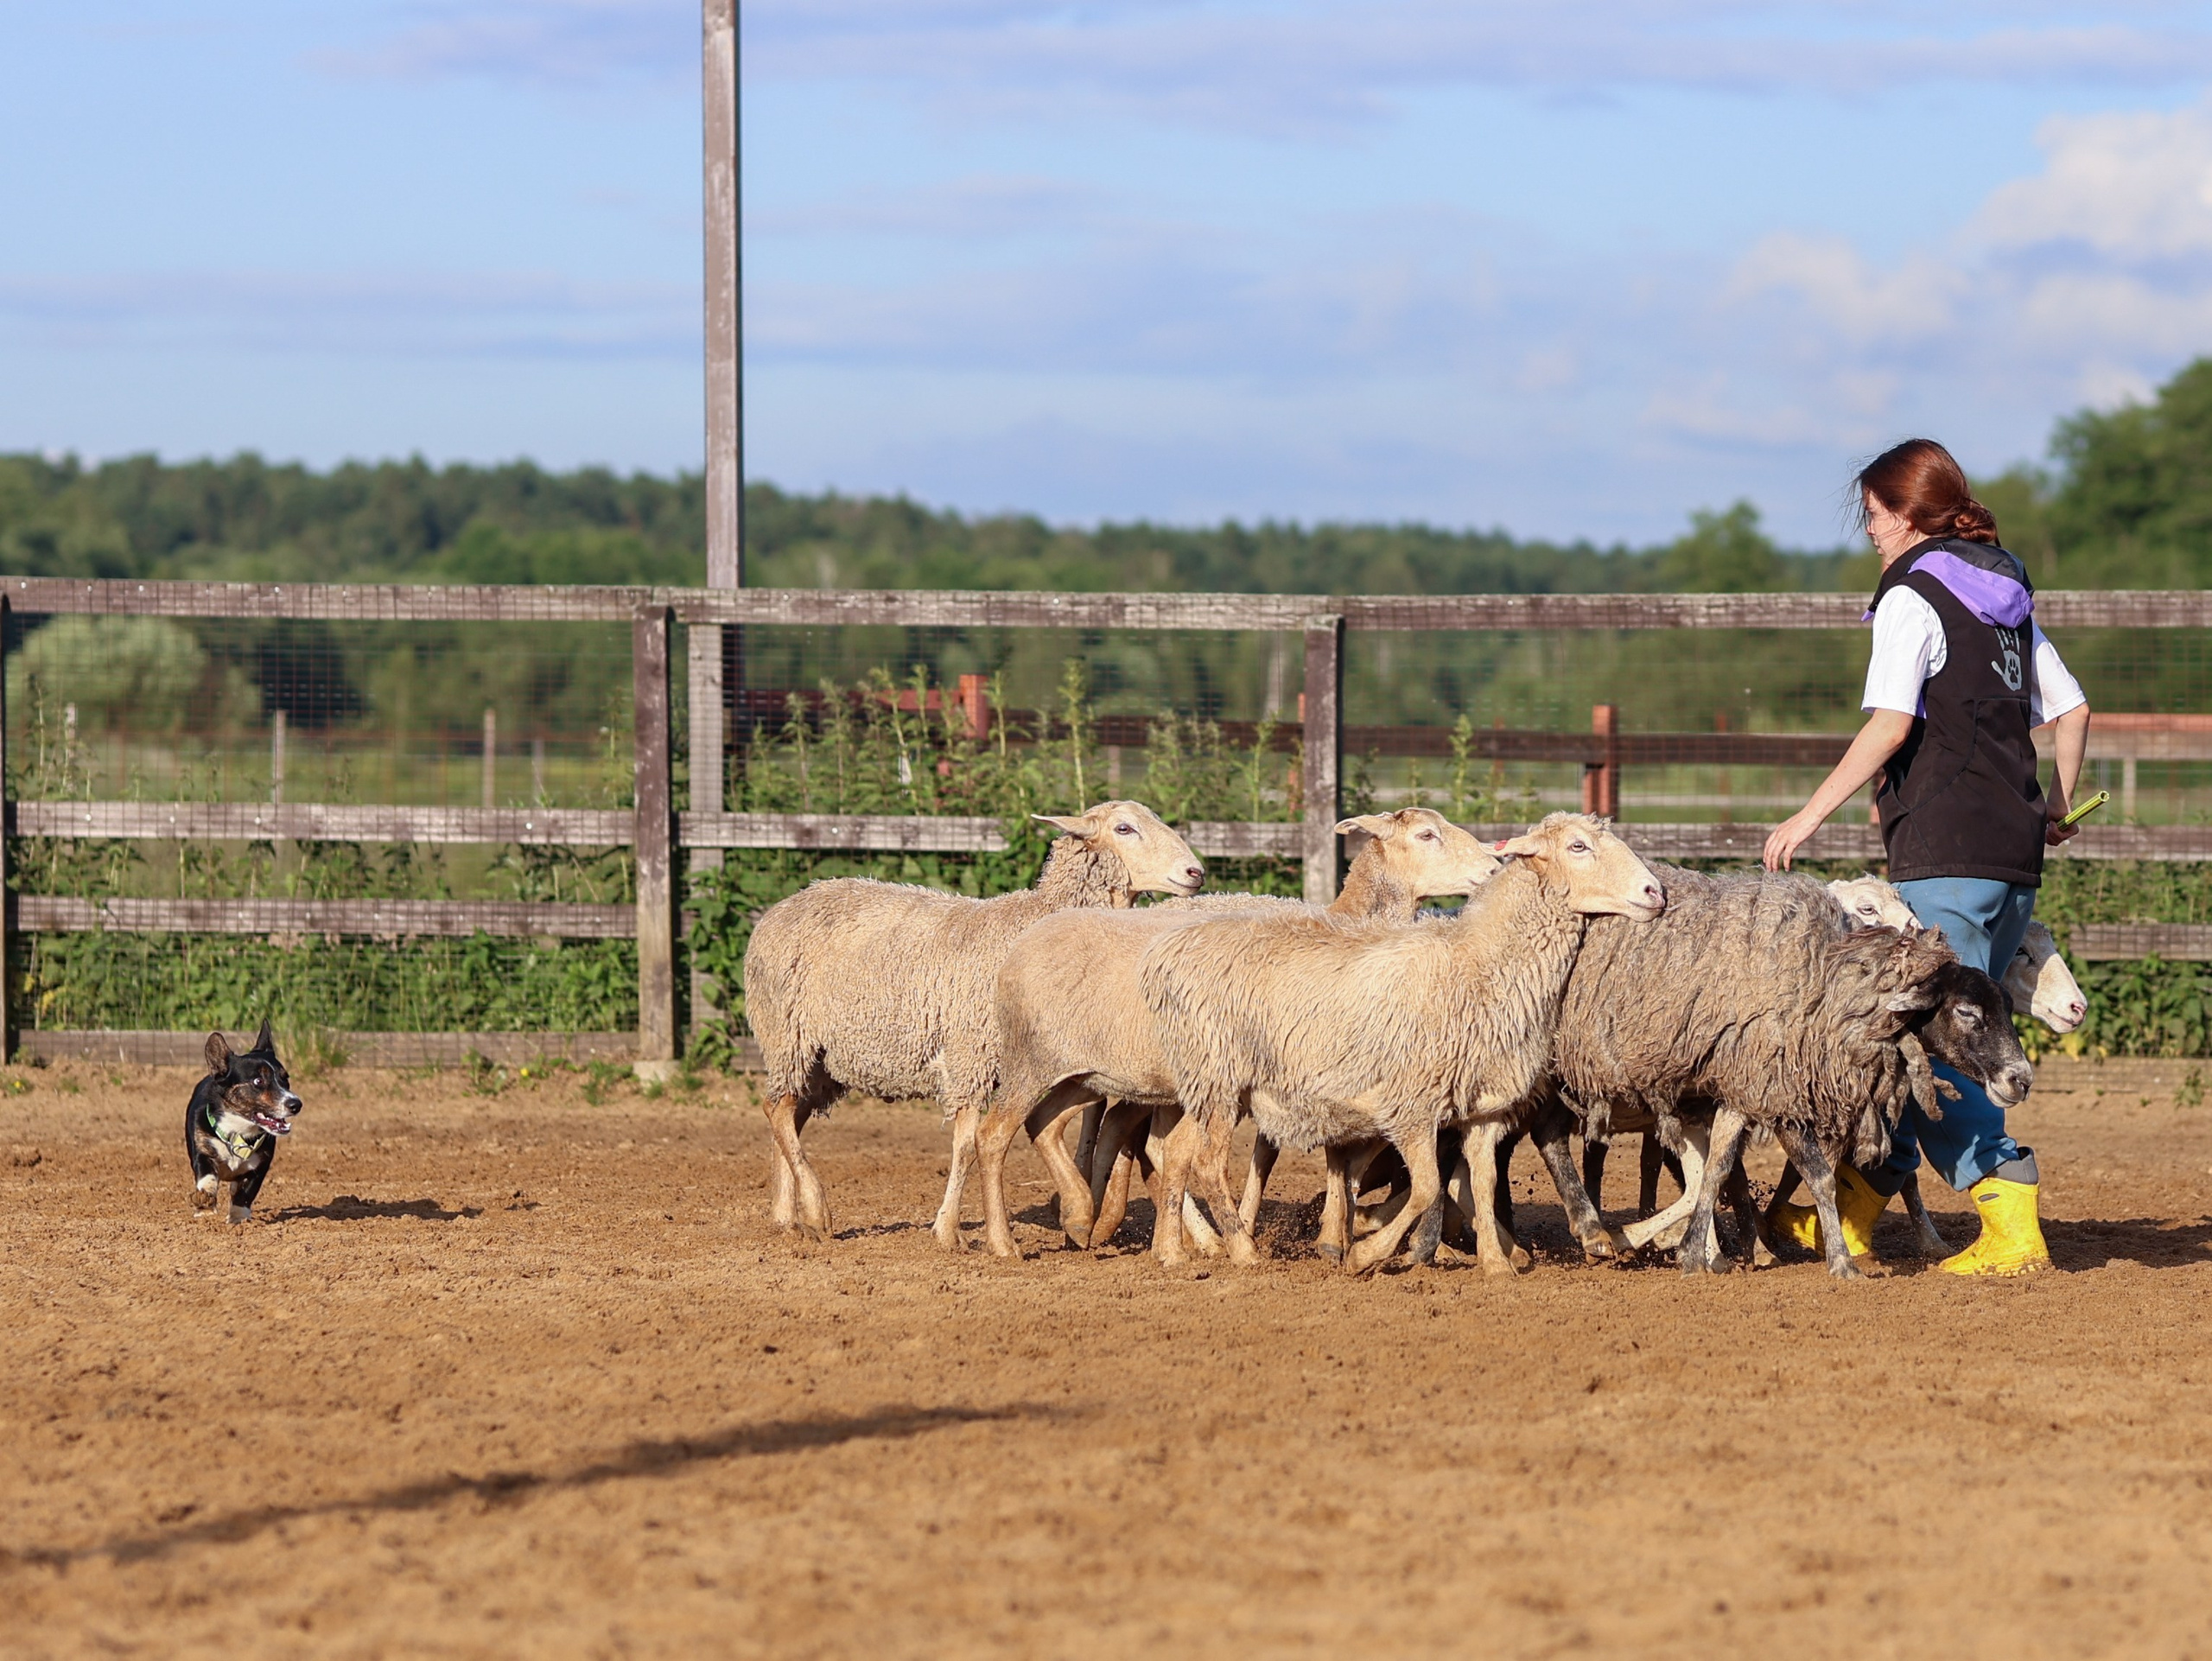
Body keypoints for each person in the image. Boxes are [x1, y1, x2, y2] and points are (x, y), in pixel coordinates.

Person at [1763, 437, 2091, 1275]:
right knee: (1903, 1036)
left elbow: (1890, 723)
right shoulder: (2002, 596)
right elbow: (2073, 707)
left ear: (1909, 514)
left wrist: (1808, 813)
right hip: (2010, 852)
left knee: (1942, 1042)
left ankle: (2011, 1219)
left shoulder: (1915, 597)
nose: (1868, 530)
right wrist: (2053, 801)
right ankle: (1851, 1211)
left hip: (1944, 847)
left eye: (1873, 514)